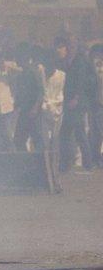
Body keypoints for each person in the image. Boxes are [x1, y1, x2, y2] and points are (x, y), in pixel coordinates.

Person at [56, 37, 98, 172]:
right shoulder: (74, 61)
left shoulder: (79, 61)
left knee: (71, 133)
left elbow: (80, 81)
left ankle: (72, 163)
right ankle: (83, 163)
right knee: (75, 133)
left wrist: (76, 98)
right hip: (75, 102)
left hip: (77, 103)